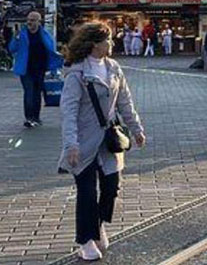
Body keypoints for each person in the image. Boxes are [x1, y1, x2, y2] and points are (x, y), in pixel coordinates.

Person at [58, 22, 145, 262]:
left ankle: (98, 225)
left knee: (110, 189)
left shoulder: (113, 67)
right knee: (86, 192)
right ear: (95, 43)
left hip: (109, 141)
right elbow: (69, 111)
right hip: (83, 142)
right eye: (108, 40)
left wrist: (136, 129)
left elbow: (125, 101)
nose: (112, 43)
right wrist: (71, 145)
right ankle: (86, 241)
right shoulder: (77, 73)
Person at [9, 11, 64, 128]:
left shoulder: (45, 34)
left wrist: (55, 67)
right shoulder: (22, 34)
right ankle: (29, 118)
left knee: (37, 93)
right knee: (29, 92)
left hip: (40, 69)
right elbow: (12, 48)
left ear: (39, 22)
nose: (30, 22)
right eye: (28, 20)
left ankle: (36, 117)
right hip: (26, 69)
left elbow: (51, 50)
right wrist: (16, 37)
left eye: (33, 20)